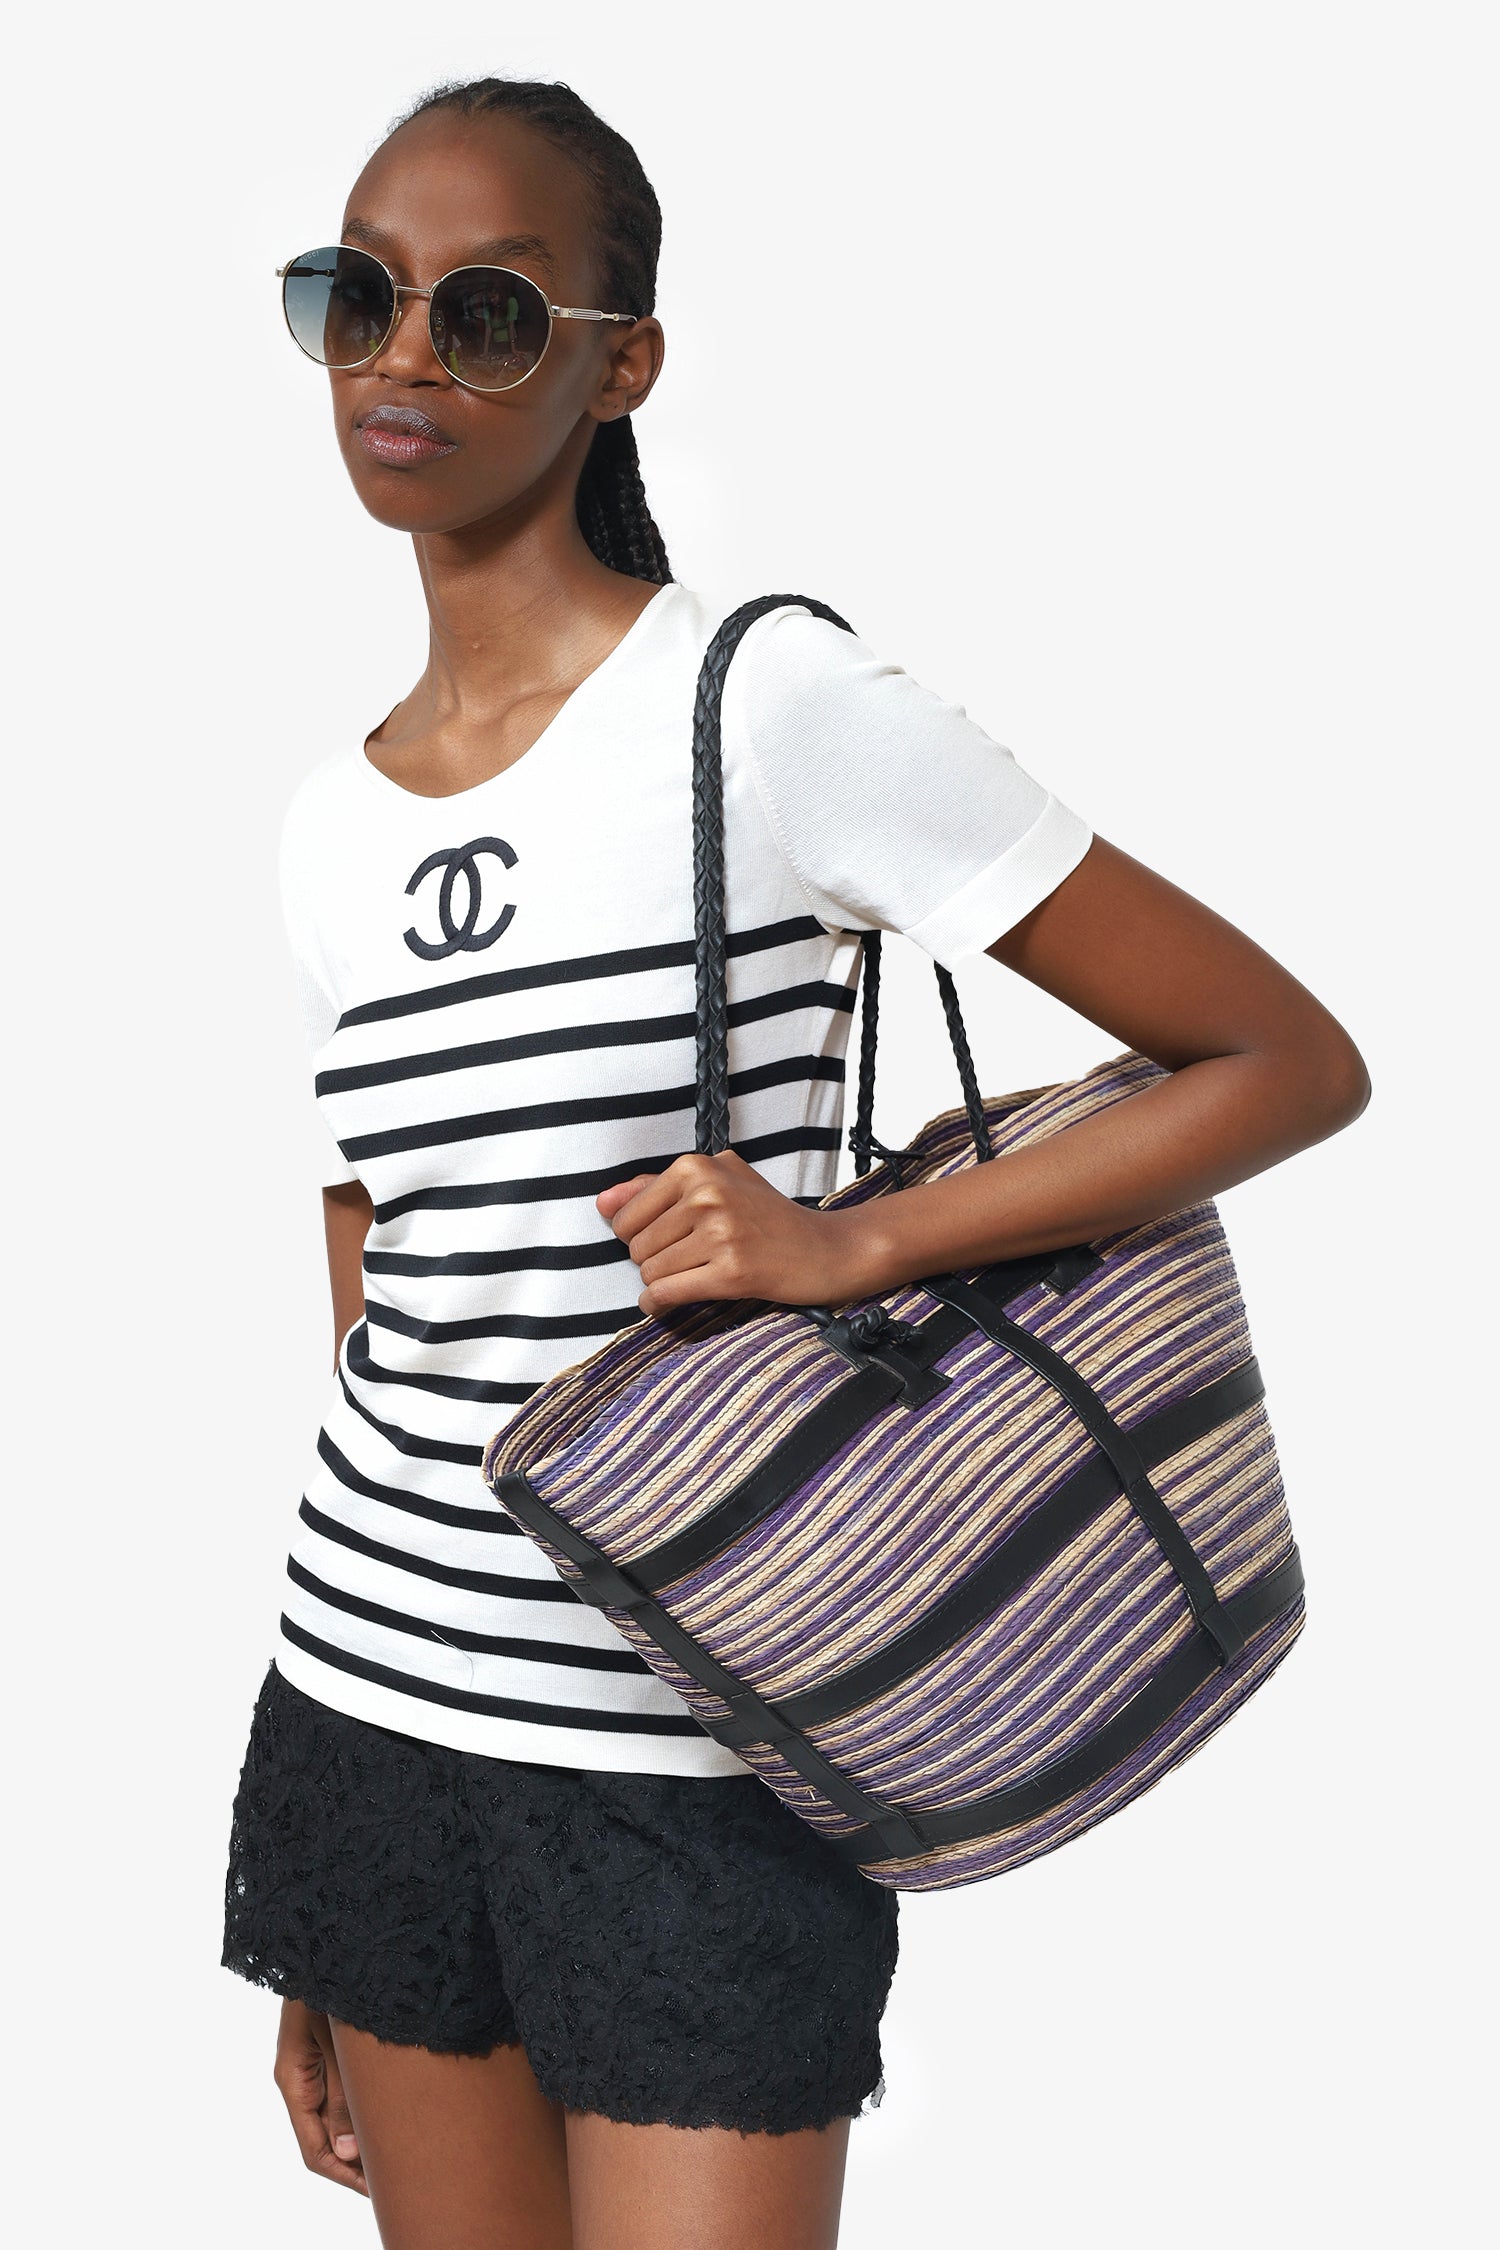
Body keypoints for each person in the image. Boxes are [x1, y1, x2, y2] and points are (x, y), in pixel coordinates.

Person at [220, 74, 1370, 2250]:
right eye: (355, 298)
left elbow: (1281, 1059)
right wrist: (321, 1902)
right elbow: (380, 1278)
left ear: (619, 364)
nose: (402, 356)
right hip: (367, 1707)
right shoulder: (328, 822)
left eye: (485, 313)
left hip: (699, 1758)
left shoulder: (767, 707)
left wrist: (861, 1244)